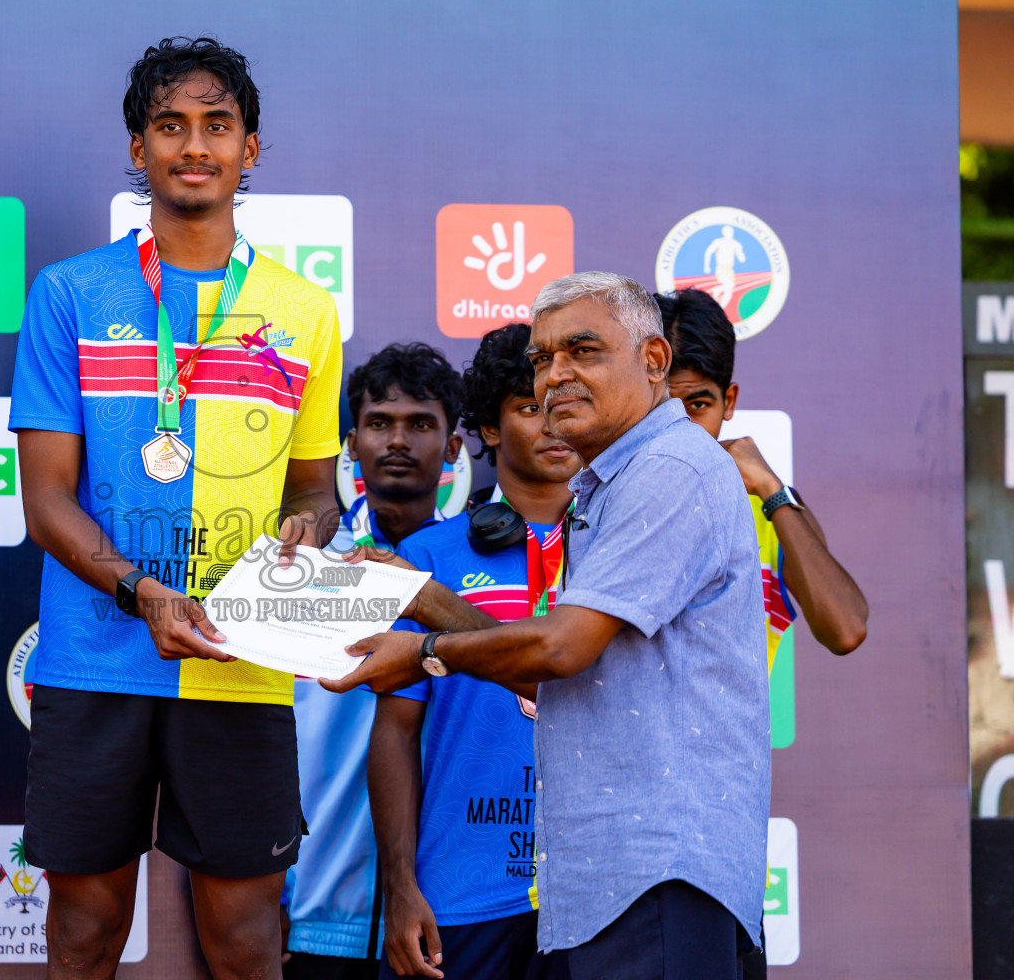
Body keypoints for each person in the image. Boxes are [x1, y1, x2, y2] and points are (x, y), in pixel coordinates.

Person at [9, 37, 342, 980]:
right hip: (95, 658)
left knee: (243, 944)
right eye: (170, 126)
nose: (194, 145)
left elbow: (314, 489)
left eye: (217, 125)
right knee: (83, 936)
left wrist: (305, 537)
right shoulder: (71, 293)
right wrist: (142, 593)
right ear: (138, 146)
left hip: (240, 658)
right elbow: (46, 502)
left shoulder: (304, 308)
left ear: (252, 149)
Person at [326, 272, 769, 979]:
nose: (553, 376)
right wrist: (425, 600)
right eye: (541, 359)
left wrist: (427, 651)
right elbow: (547, 671)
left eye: (583, 350)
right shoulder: (614, 484)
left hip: (655, 876)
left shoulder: (671, 468)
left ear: (654, 361)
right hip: (604, 883)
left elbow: (561, 647)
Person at [657, 288, 868, 979]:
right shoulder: (599, 500)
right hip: (619, 846)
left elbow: (845, 627)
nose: (683, 428)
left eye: (700, 405)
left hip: (726, 842)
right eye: (664, 405)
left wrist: (773, 490)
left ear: (731, 400)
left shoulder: (769, 511)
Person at [366, 324, 578, 980]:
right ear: (486, 429)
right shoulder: (427, 559)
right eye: (526, 407)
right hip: (460, 891)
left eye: (564, 407)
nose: (552, 425)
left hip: (595, 889)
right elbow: (395, 733)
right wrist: (401, 887)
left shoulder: (627, 553)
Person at [284, 343, 463, 980]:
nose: (397, 440)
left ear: (453, 448)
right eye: (379, 423)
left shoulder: (475, 566)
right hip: (313, 897)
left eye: (421, 424)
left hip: (450, 902)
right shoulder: (298, 564)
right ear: (349, 443)